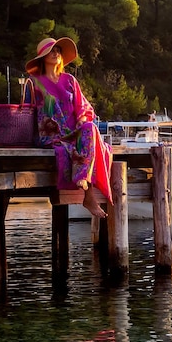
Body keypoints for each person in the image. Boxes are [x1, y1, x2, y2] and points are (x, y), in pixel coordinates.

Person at [26, 37, 112, 218]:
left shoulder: (70, 80)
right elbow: (27, 111)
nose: (56, 53)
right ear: (42, 56)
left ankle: (85, 187)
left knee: (91, 128)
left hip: (74, 132)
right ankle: (88, 194)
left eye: (58, 50)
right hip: (50, 134)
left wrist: (81, 119)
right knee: (74, 146)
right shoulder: (34, 82)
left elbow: (84, 107)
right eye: (51, 50)